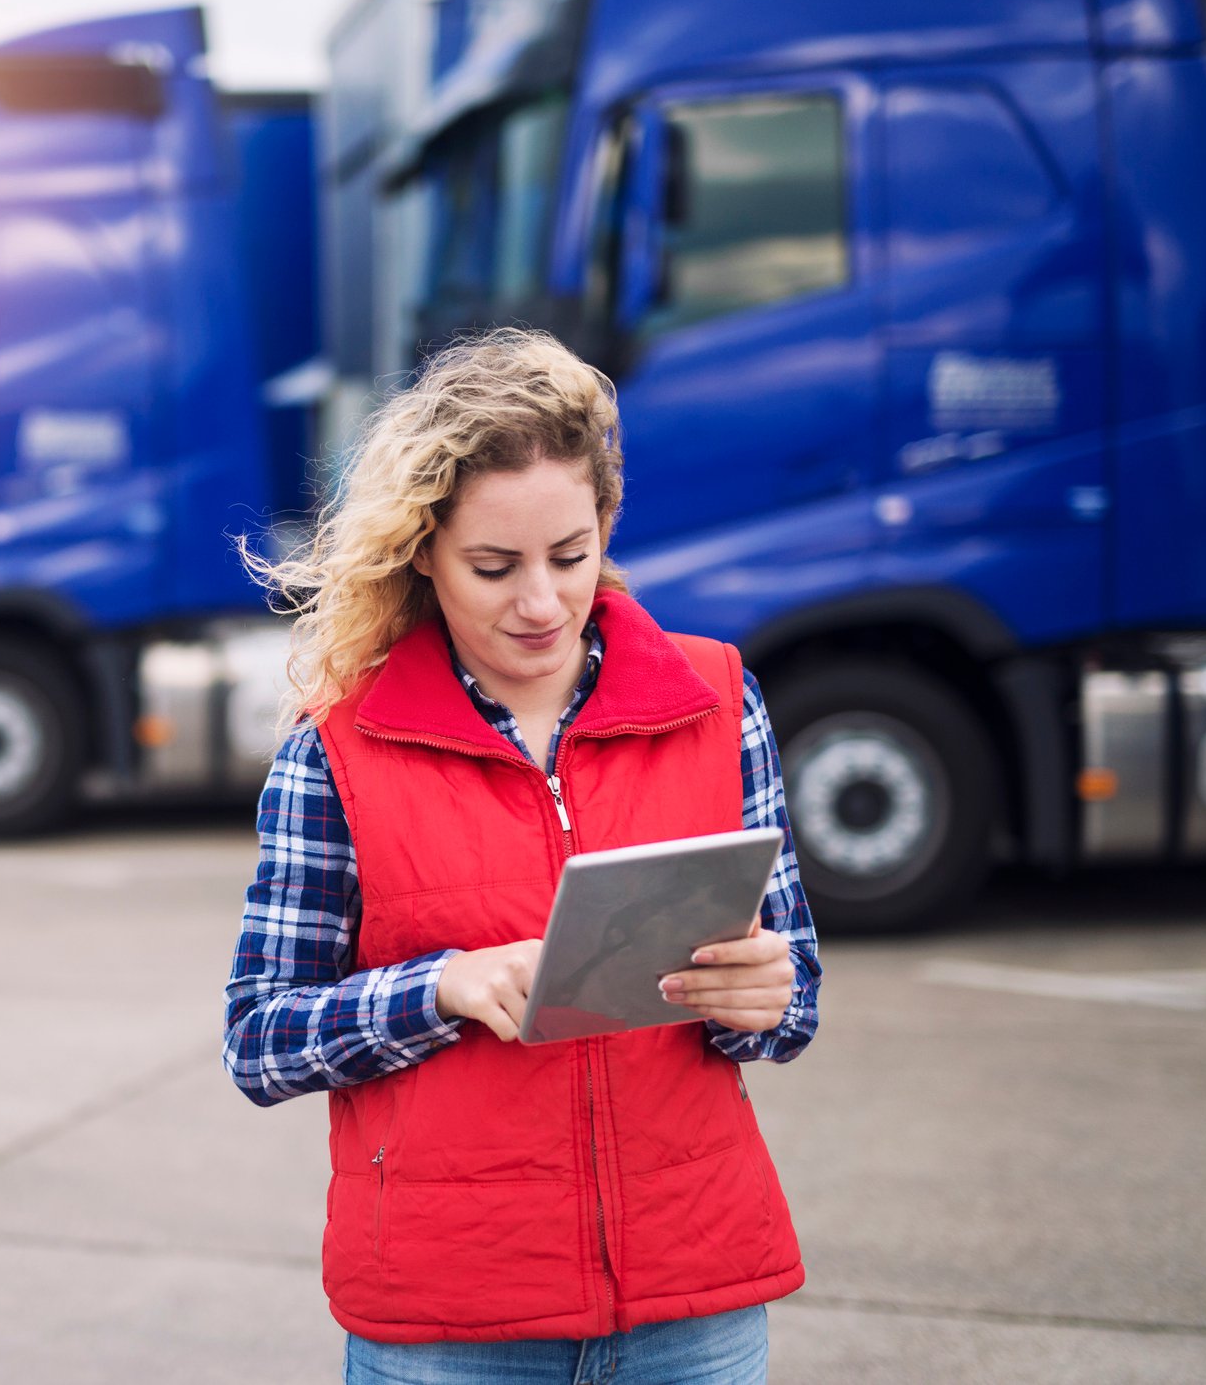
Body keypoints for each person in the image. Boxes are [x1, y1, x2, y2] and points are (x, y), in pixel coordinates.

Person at [224, 328, 822, 1384]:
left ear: (606, 526)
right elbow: (261, 1040)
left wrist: (766, 996)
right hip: (449, 1326)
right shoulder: (337, 751)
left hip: (692, 1301)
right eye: (493, 567)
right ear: (421, 548)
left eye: (570, 556)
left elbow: (793, 997)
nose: (540, 603)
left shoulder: (719, 702)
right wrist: (438, 988)